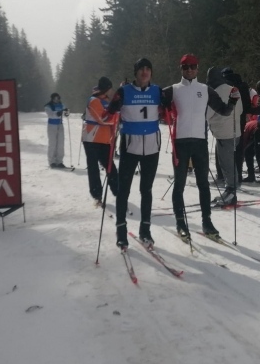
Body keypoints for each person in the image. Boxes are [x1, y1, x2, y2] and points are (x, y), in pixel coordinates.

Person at [161, 54, 239, 238]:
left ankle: (207, 222)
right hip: (180, 143)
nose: (189, 70)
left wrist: (234, 100)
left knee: (203, 184)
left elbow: (224, 110)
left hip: (199, 143)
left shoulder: (205, 89)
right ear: (181, 69)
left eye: (193, 66)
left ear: (198, 68)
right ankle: (181, 223)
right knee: (179, 184)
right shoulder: (173, 89)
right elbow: (153, 98)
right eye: (186, 67)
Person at [104, 58, 162, 249]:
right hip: (130, 148)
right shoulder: (124, 91)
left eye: (148, 69)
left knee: (146, 190)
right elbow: (109, 112)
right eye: (141, 69)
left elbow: (170, 108)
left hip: (152, 148)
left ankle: (145, 231)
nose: (145, 72)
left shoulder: (157, 91)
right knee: (124, 191)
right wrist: (113, 105)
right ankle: (121, 232)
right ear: (135, 72)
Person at [206, 67, 244, 205]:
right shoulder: (232, 89)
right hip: (235, 131)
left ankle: (231, 192)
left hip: (224, 133)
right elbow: (240, 109)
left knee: (226, 163)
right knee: (229, 162)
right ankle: (230, 190)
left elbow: (208, 114)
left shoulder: (216, 92)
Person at [81, 77, 119, 205]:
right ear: (106, 89)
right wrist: (115, 114)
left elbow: (114, 115)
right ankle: (97, 194)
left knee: (110, 167)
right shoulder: (93, 101)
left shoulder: (107, 101)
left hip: (104, 140)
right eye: (110, 88)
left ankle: (118, 191)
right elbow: (103, 119)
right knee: (93, 168)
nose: (112, 90)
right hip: (91, 139)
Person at [44, 92, 69, 168]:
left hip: (60, 125)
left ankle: (59, 161)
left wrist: (66, 112)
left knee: (60, 144)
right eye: (55, 98)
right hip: (52, 125)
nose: (57, 100)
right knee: (53, 143)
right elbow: (50, 114)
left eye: (58, 98)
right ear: (52, 99)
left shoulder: (62, 105)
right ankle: (52, 161)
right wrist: (57, 113)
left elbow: (65, 113)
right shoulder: (48, 106)